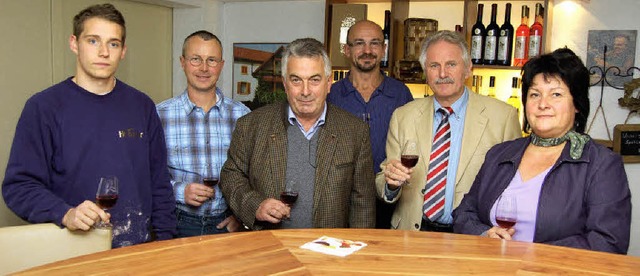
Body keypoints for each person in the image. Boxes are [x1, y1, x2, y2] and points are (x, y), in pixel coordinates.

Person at [2, 3, 176, 247]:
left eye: (113, 43)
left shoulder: (142, 105)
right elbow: (19, 187)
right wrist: (65, 212)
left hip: (138, 251)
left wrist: (165, 241)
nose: (104, 52)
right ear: (74, 43)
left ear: (123, 51)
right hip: (73, 250)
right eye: (93, 41)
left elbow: (159, 182)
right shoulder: (44, 107)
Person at [453, 48, 631, 254]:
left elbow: (608, 241)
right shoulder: (500, 154)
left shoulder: (602, 164)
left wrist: (531, 254)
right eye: (535, 94)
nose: (543, 104)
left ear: (577, 105)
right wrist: (484, 234)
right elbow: (464, 214)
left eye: (556, 94)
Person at [220, 38, 376, 230]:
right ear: (285, 84)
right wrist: (255, 205)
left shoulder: (355, 132)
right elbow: (230, 176)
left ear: (328, 83)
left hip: (331, 252)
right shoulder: (251, 125)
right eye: (296, 80)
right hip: (269, 249)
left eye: (314, 80)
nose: (305, 91)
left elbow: (363, 205)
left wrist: (356, 254)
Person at [376, 30, 521, 232]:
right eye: (434, 66)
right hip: (412, 234)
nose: (442, 74)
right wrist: (391, 184)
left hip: (473, 236)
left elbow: (514, 188)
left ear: (468, 68)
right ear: (425, 71)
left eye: (451, 64)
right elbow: (385, 179)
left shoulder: (503, 117)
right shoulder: (403, 116)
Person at [156, 31, 250, 237]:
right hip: (177, 223)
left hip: (227, 226)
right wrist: (180, 191)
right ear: (182, 62)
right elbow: (148, 175)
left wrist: (241, 216)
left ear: (222, 65)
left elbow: (255, 175)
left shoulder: (243, 115)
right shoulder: (159, 115)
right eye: (195, 59)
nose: (204, 68)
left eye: (212, 60)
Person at [327, 20, 413, 229]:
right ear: (347, 50)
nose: (367, 50)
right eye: (359, 43)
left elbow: (413, 143)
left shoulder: (401, 94)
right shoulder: (331, 95)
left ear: (384, 49)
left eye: (374, 43)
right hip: (340, 203)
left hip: (392, 202)